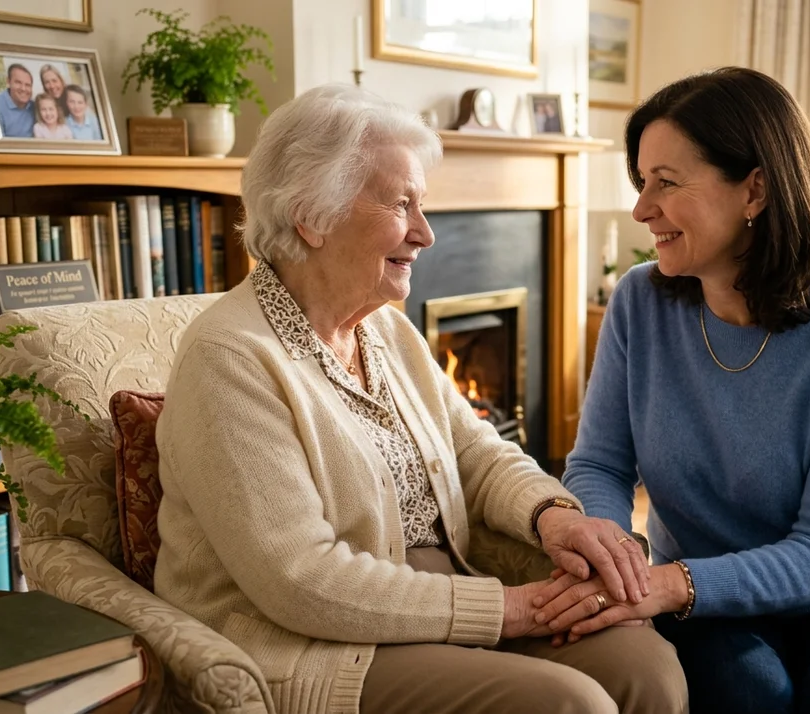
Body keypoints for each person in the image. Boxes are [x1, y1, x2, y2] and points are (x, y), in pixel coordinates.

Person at [153, 83, 687, 714]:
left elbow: (478, 452)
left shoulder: (382, 328)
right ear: (310, 215)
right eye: (402, 204)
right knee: (571, 705)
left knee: (643, 665)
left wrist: (555, 517)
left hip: (438, 597)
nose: (426, 234)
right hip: (312, 639)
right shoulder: (231, 358)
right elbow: (300, 580)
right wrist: (509, 609)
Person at [541, 67, 810, 713]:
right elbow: (600, 462)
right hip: (707, 602)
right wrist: (612, 561)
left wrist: (666, 585)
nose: (642, 209)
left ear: (755, 189)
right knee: (748, 692)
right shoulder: (639, 302)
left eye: (665, 183)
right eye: (641, 182)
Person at [0, 63, 35, 138]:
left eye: (28, 85)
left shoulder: (34, 106)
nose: (23, 89)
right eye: (18, 82)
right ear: (8, 82)